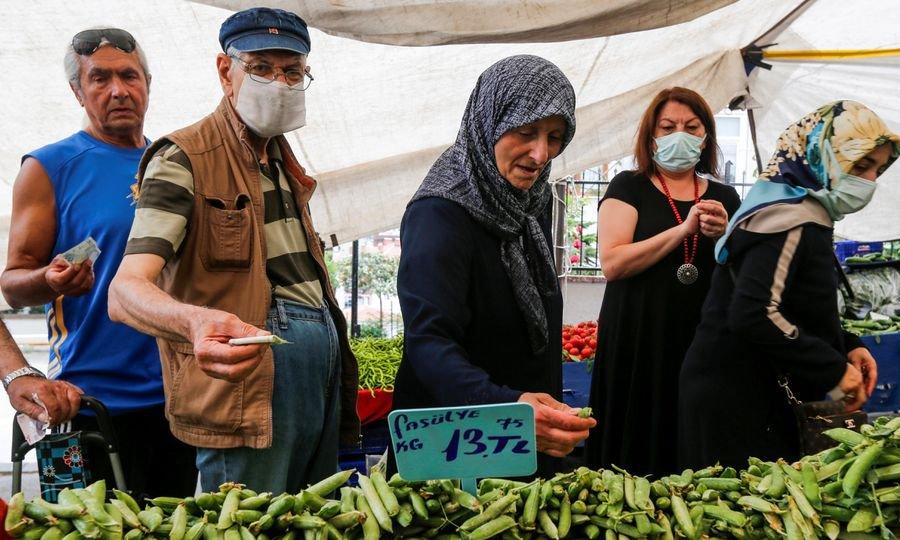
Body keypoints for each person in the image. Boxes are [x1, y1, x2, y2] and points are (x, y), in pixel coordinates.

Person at [107, 8, 358, 493]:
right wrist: (195, 321)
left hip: (315, 379)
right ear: (227, 71)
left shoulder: (282, 160)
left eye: (292, 71)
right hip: (248, 389)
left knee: (313, 520)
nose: (279, 84)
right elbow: (124, 291)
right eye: (261, 68)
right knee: (250, 521)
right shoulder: (184, 157)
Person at [0, 28, 196, 498]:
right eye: (99, 78)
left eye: (129, 76)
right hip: (88, 405)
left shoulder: (177, 162)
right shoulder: (50, 167)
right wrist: (49, 280)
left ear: (147, 82)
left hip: (183, 398)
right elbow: (12, 284)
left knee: (179, 526)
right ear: (77, 91)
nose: (118, 90)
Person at [394, 55, 596, 472]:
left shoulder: (526, 204)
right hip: (452, 450)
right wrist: (509, 406)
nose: (541, 153)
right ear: (489, 120)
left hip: (516, 443)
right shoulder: (440, 213)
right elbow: (428, 344)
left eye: (555, 136)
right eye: (525, 131)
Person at [678, 100, 900, 468]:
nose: (870, 181)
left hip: (745, 388)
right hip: (737, 397)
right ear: (820, 155)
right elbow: (754, 312)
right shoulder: (791, 219)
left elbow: (794, 302)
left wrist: (848, 345)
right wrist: (832, 370)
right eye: (861, 166)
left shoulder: (799, 210)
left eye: (878, 169)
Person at [585, 87, 741, 477]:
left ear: (706, 137)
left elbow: (743, 271)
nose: (680, 136)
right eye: (668, 127)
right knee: (633, 443)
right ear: (650, 136)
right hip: (638, 338)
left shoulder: (724, 198)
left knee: (694, 446)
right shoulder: (628, 187)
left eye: (692, 127)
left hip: (700, 342)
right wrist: (684, 229)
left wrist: (725, 235)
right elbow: (613, 262)